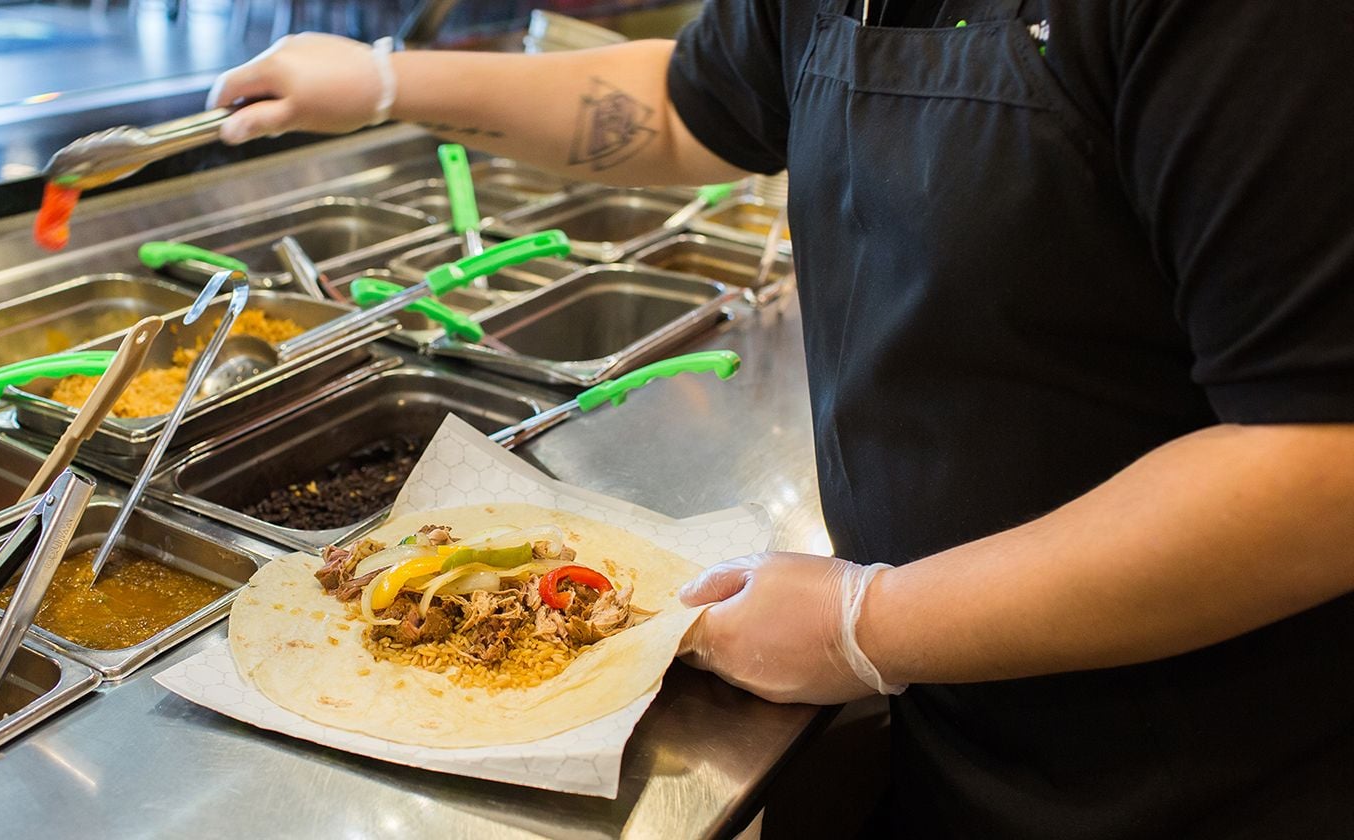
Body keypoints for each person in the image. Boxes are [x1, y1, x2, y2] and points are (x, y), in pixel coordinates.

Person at [207, 2, 1354, 835]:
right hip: (964, 728)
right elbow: (678, 108)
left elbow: (1319, 465)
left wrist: (876, 620)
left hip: (1223, 764)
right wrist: (392, 84)